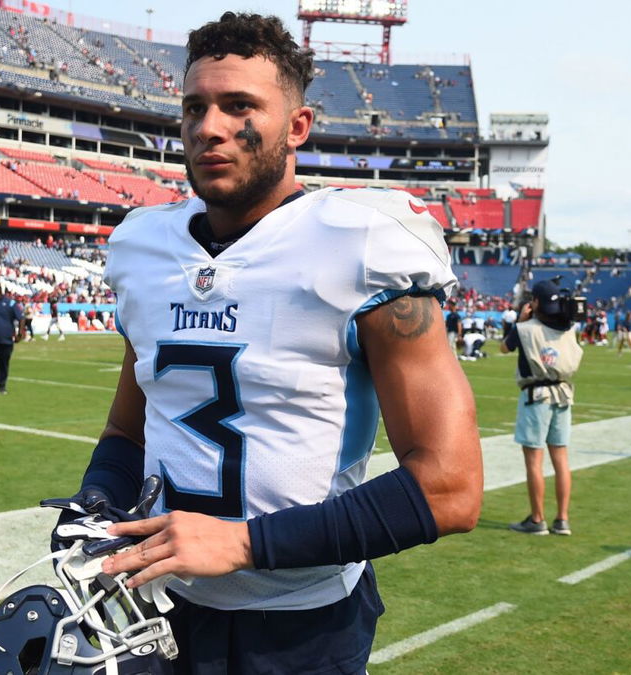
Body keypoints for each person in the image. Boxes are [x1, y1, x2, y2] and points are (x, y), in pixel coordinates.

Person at [50, 14, 482, 674]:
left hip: (302, 624)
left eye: (240, 105)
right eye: (195, 106)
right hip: (157, 613)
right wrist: (97, 504)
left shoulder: (362, 243)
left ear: (297, 127)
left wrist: (247, 543)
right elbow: (126, 429)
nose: (209, 126)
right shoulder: (143, 248)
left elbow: (450, 487)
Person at [501, 279, 583, 536]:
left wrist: (520, 321)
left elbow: (504, 347)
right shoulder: (568, 328)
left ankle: (537, 519)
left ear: (535, 302)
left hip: (536, 396)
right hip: (563, 394)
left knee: (534, 461)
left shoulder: (526, 329)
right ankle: (563, 519)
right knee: (561, 460)